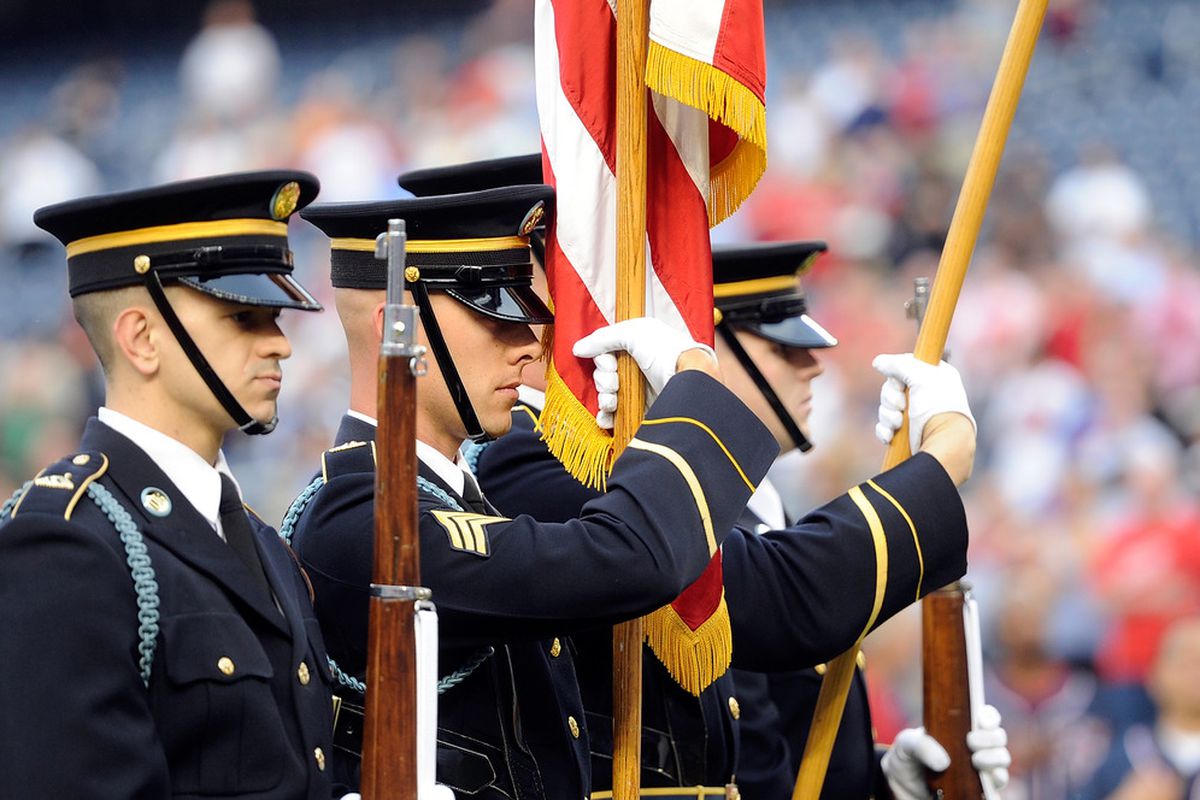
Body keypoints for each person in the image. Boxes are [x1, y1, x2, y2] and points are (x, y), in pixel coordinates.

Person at [286, 184, 782, 800]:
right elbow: (625, 561)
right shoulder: (361, 515)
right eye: (496, 316)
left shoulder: (455, 500)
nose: (529, 343)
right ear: (401, 331)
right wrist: (692, 390)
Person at [0, 171, 348, 798]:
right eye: (244, 317)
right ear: (141, 339)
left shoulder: (258, 537)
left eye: (276, 316)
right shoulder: (66, 543)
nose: (281, 344)